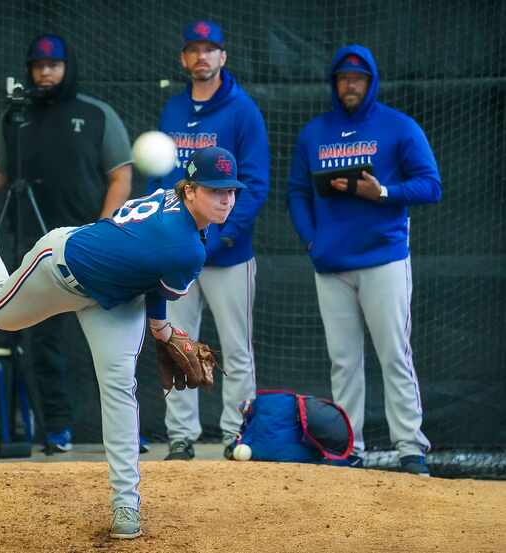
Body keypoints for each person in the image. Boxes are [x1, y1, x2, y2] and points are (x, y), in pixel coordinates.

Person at [0, 147, 244, 539]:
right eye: (214, 189)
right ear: (189, 191)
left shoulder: (173, 205)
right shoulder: (188, 249)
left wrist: (161, 328)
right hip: (62, 267)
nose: (225, 198)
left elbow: (154, 276)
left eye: (231, 190)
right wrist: (162, 329)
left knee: (120, 387)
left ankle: (125, 504)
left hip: (116, 299)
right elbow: (163, 282)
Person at [0, 33, 133, 454]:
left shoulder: (96, 114)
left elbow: (121, 175)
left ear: (67, 67)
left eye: (54, 65)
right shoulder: (14, 119)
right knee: (44, 341)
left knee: (112, 336)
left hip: (93, 246)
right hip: (35, 249)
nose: (45, 72)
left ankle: (124, 432)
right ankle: (57, 428)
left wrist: (103, 230)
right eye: (38, 66)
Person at [286, 44, 441, 476]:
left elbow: (431, 185)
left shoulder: (398, 127)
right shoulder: (315, 132)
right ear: (334, 83)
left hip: (383, 260)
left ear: (371, 83)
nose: (350, 84)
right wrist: (311, 241)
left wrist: (384, 193)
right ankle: (347, 447)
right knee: (343, 359)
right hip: (331, 264)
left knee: (394, 354)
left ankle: (411, 448)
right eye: (343, 78)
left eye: (358, 78)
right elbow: (297, 192)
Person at [151, 20, 269, 461]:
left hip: (227, 254)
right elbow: (162, 180)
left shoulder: (243, 111)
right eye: (193, 49)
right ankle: (181, 437)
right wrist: (166, 236)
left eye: (210, 49)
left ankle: (236, 434)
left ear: (223, 56)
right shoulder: (172, 111)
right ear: (184, 59)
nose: (202, 56)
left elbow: (254, 184)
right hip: (179, 252)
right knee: (176, 343)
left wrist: (218, 237)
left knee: (236, 348)